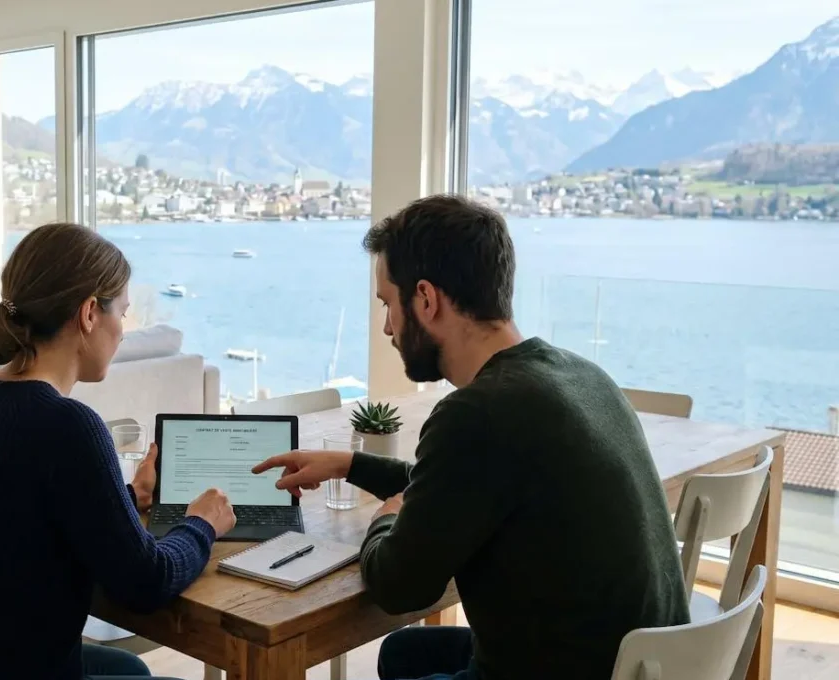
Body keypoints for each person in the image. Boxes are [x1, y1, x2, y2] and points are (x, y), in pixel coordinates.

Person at [252, 195, 690, 680]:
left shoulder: (478, 413)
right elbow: (461, 486)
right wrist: (351, 466)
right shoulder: (582, 376)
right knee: (404, 656)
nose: (386, 327)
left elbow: (398, 587)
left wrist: (385, 518)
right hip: (639, 665)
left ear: (425, 299)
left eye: (387, 304)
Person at [0, 222, 237, 680]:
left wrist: (129, 498)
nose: (123, 332)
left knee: (128, 666)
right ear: (90, 313)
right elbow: (146, 582)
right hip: (2, 668)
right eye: (123, 314)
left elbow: (18, 522)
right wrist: (202, 523)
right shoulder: (68, 425)